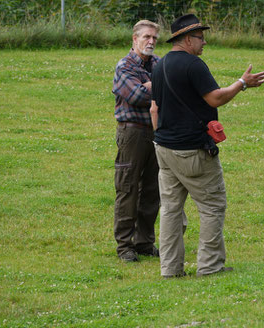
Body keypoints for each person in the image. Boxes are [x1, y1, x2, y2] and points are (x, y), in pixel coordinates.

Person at [150, 14, 264, 277]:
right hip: (193, 150)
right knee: (212, 206)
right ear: (188, 39)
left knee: (170, 209)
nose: (204, 43)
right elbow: (215, 98)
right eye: (201, 38)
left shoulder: (160, 65)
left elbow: (154, 109)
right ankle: (210, 267)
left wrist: (163, 139)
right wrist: (241, 84)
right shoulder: (194, 65)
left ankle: (170, 270)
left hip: (164, 150)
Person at [112, 20, 161, 262]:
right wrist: (159, 85)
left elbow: (171, 89)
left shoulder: (160, 64)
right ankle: (124, 247)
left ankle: (144, 243)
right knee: (128, 188)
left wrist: (152, 85)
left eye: (154, 38)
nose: (151, 41)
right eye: (146, 37)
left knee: (152, 190)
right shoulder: (124, 66)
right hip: (132, 134)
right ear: (135, 39)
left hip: (157, 131)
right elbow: (136, 95)